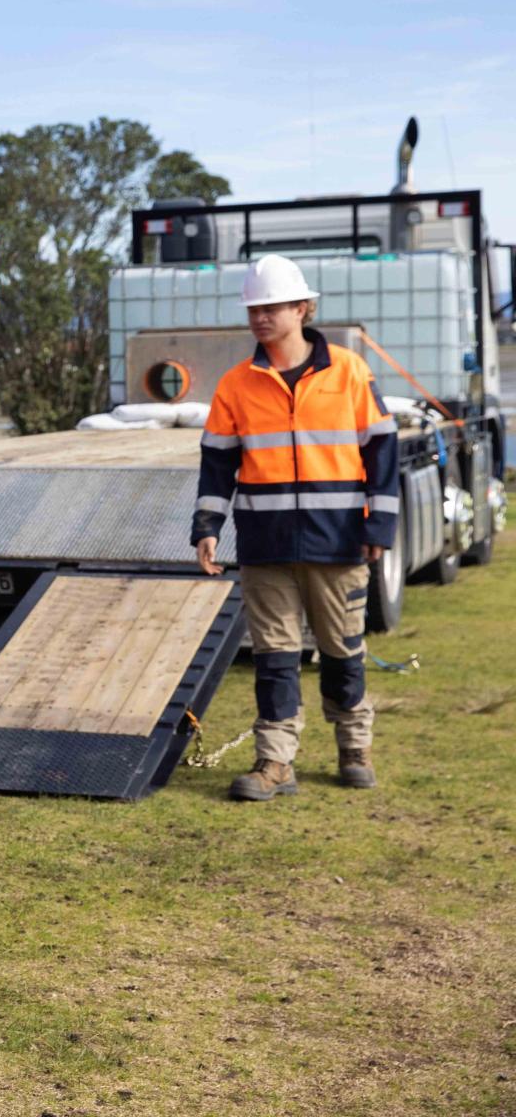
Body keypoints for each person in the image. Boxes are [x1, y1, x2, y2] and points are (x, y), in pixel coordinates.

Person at [192, 254, 399, 801]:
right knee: (275, 657)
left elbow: (382, 452)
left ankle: (354, 747)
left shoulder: (349, 372)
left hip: (339, 541)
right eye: (255, 308)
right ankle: (275, 762)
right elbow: (216, 463)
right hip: (266, 545)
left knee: (341, 651)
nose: (261, 317)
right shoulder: (237, 384)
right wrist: (207, 526)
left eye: (273, 306)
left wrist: (379, 526)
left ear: (303, 309)